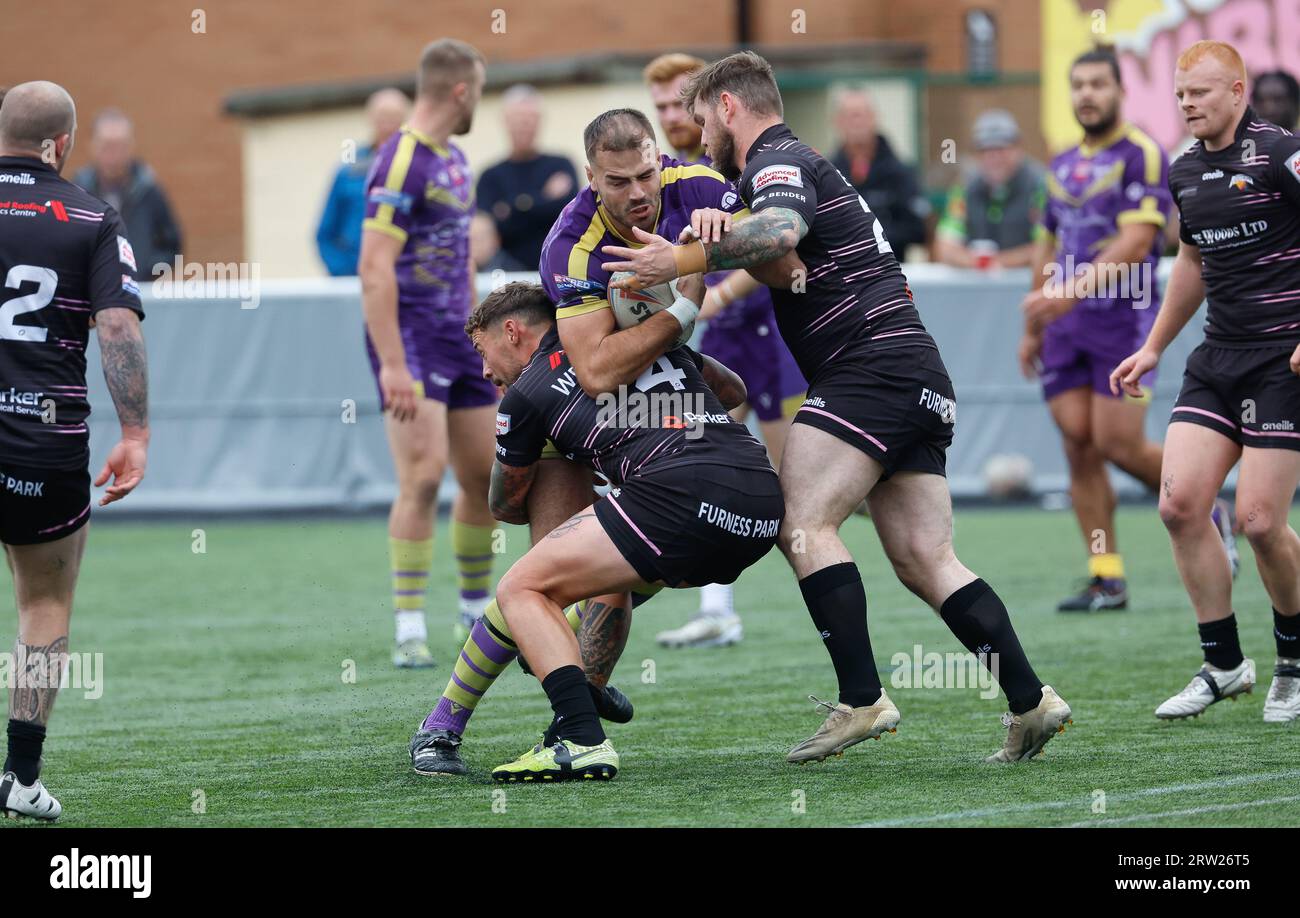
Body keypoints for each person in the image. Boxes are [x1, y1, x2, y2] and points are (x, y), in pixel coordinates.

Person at [600, 51, 1072, 764]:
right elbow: (782, 254)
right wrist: (749, 252)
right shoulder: (777, 171)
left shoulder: (777, 160)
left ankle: (862, 699)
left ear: (729, 106)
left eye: (700, 118)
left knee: (802, 523)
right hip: (912, 372)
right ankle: (1031, 700)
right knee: (926, 557)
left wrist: (683, 260)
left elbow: (782, 232)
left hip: (869, 367)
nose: (697, 136)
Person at [467, 280, 782, 781]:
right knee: (607, 579)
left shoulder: (527, 392)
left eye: (484, 353)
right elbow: (734, 392)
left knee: (520, 588)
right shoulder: (642, 341)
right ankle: (583, 695)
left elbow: (505, 504)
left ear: (512, 332)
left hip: (680, 501)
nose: (486, 372)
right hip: (760, 509)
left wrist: (555, 445)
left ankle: (579, 736)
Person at [1111, 40, 1300, 724]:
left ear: (1238, 93)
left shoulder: (1281, 155)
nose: (1187, 103)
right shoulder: (1186, 171)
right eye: (1180, 93)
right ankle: (1224, 664)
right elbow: (1191, 259)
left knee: (1258, 521)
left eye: (1201, 92)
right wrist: (1154, 346)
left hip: (1284, 362)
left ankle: (1294, 662)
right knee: (1180, 504)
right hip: (1218, 357)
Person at [1020, 48, 1237, 612]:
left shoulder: (1141, 153)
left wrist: (1065, 293)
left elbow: (1139, 242)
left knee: (1116, 441)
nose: (1086, 94)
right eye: (1078, 84)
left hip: (1124, 316)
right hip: (1065, 328)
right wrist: (1036, 321)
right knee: (1078, 444)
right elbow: (1048, 240)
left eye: (1097, 83)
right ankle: (1106, 576)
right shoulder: (1061, 162)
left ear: (1120, 91)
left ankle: (1206, 506)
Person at [0, 82, 150, 819]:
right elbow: (118, 331)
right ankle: (20, 779)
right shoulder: (92, 215)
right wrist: (135, 435)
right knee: (44, 601)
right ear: (61, 143)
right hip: (42, 444)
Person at [641, 52, 806, 649]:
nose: (670, 114)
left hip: (771, 335)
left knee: (801, 491)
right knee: (707, 470)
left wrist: (710, 295)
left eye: (678, 103)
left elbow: (768, 245)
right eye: (658, 105)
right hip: (728, 346)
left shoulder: (729, 167)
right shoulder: (661, 175)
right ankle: (718, 609)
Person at [359, 39, 499, 668]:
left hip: (459, 337)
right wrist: (391, 362)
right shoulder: (400, 160)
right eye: (481, 91)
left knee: (483, 477)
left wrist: (482, 335)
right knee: (422, 474)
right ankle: (409, 624)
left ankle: (474, 609)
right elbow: (373, 268)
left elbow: (464, 260)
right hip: (411, 337)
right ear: (460, 91)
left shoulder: (456, 159)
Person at [472, 85, 578, 272]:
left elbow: (569, 218)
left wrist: (512, 207)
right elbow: (487, 232)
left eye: (529, 120)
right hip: (505, 278)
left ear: (539, 122)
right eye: (518, 120)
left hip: (557, 272)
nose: (524, 126)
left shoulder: (561, 165)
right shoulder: (490, 176)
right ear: (505, 123)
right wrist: (544, 199)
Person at [72, 109, 181, 279]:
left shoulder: (149, 191)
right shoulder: (77, 193)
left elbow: (170, 244)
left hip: (140, 295)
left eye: (120, 146)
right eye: (107, 146)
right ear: (93, 146)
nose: (114, 154)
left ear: (131, 146)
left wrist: (144, 275)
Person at [315, 88, 410, 276]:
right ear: (370, 118)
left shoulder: (419, 168)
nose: (388, 123)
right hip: (354, 276)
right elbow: (325, 233)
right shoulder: (349, 171)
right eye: (383, 115)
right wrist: (344, 272)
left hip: (404, 279)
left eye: (395, 116)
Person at [936, 109, 1045, 269]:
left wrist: (999, 262)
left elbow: (1048, 247)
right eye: (985, 150)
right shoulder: (965, 187)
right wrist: (979, 263)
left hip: (1030, 284)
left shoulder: (1040, 186)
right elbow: (945, 245)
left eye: (1001, 149)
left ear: (1018, 149)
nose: (994, 157)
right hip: (978, 287)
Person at [828, 86, 928, 258]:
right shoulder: (827, 173)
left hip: (889, 274)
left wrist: (870, 238)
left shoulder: (900, 173)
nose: (857, 122)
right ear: (837, 121)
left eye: (862, 114)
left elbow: (918, 229)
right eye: (850, 115)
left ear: (875, 118)